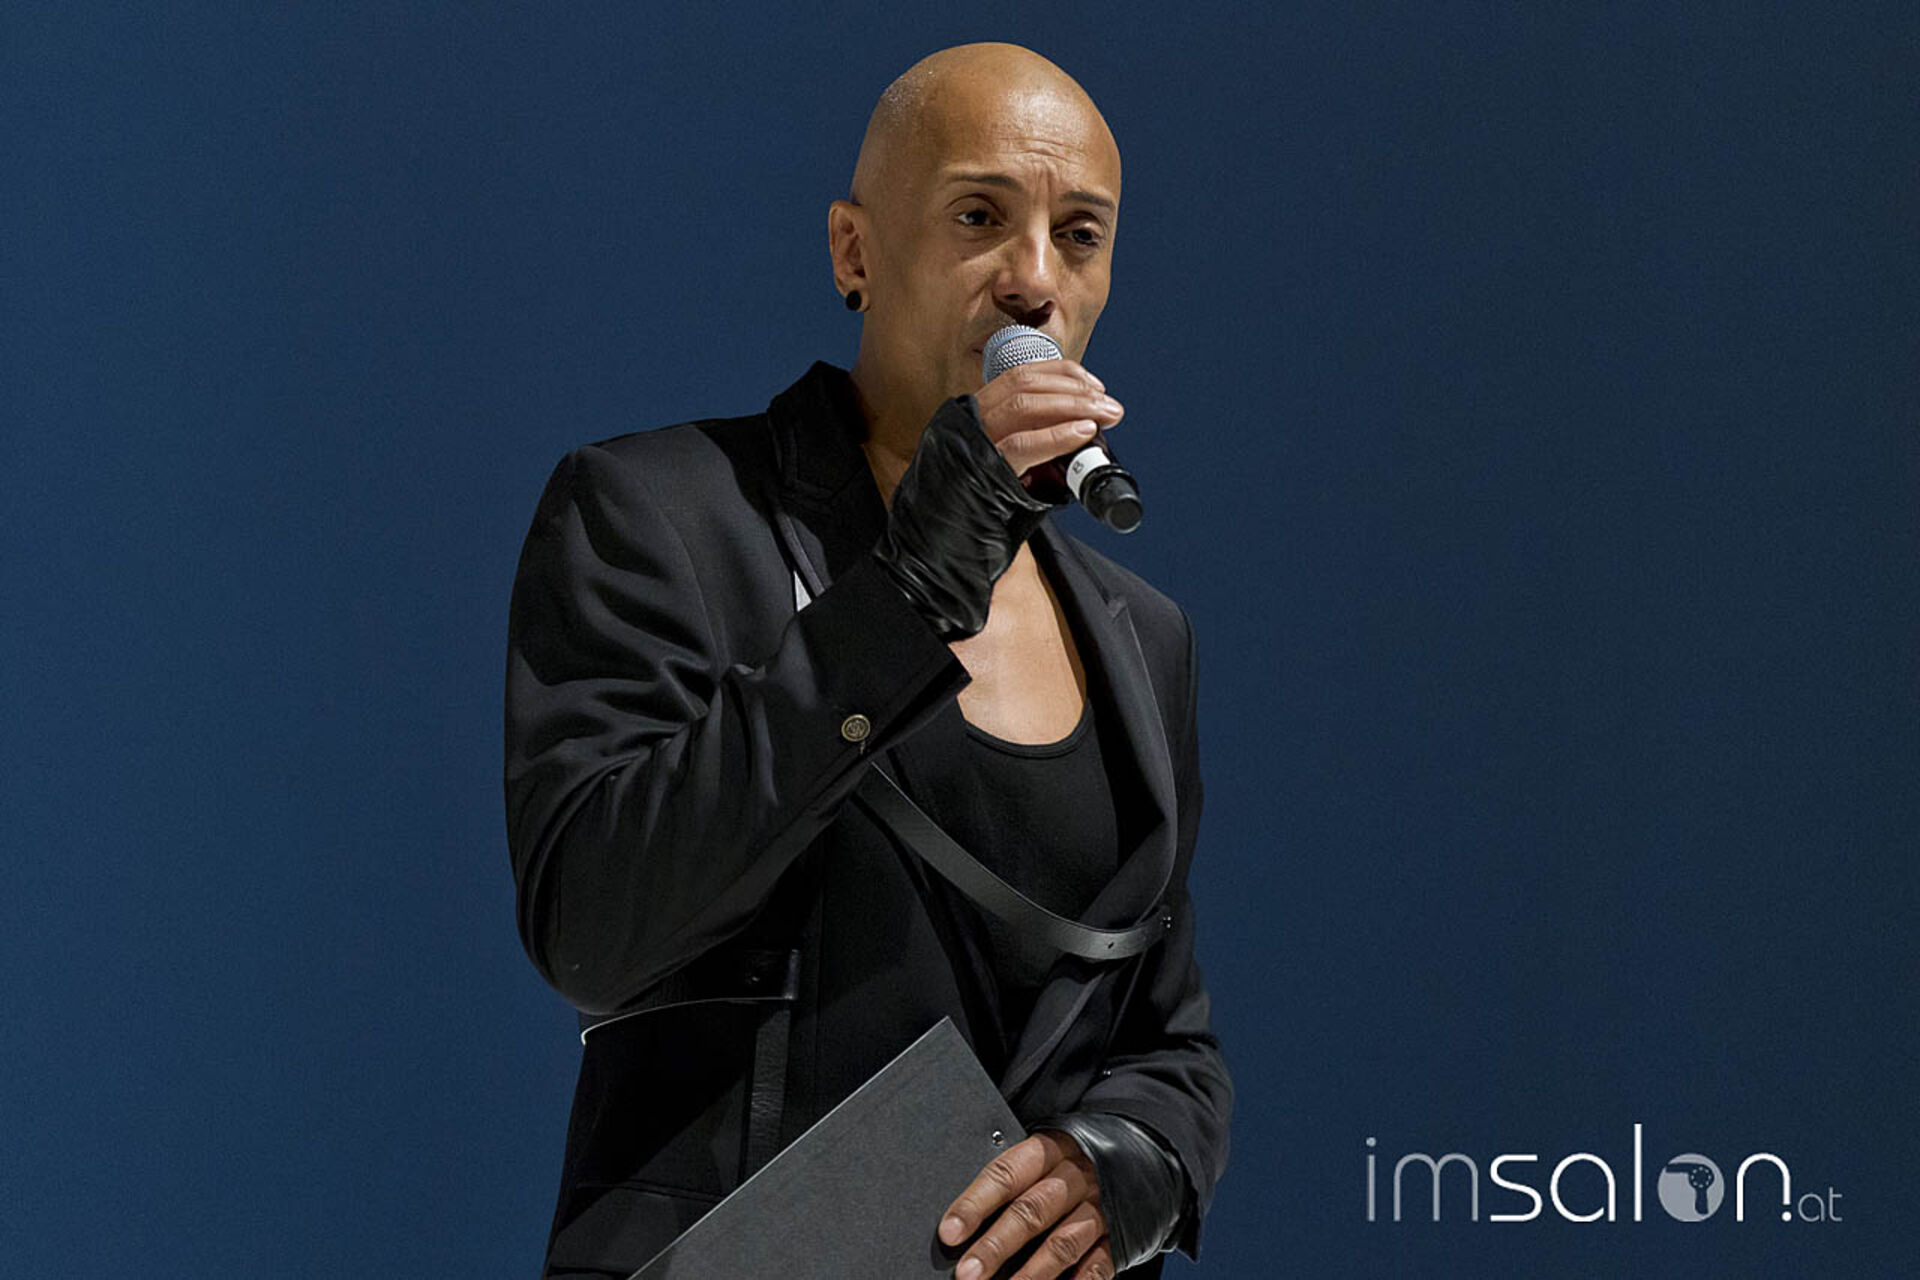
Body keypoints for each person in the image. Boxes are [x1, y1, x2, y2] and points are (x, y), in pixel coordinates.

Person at [504, 42, 1232, 1279]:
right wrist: (908, 593)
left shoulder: (1142, 635)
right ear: (855, 252)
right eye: (978, 216)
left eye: (1080, 235)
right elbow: (594, 925)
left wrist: (1131, 1162)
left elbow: (1167, 1036)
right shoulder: (659, 514)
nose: (1034, 279)